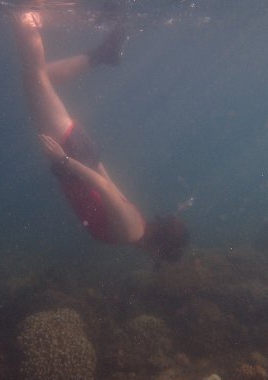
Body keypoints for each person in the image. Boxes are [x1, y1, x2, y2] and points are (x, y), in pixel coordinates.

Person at [14, 11, 189, 264]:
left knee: (40, 78)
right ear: (159, 249)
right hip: (72, 156)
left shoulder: (136, 228)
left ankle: (102, 54)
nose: (155, 260)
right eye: (161, 258)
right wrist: (64, 160)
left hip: (77, 157)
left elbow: (106, 186)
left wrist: (73, 161)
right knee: (35, 78)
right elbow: (105, 187)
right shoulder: (131, 231)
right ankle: (30, 17)